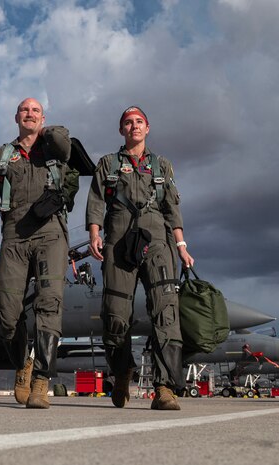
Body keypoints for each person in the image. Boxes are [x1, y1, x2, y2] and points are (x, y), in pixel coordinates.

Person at [86, 106, 194, 410]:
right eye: (127, 123)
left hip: (158, 243)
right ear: (121, 130)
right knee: (115, 313)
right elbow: (95, 201)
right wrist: (95, 234)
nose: (133, 126)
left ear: (147, 128)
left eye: (138, 122)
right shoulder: (108, 164)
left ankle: (164, 388)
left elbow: (173, 208)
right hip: (118, 241)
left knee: (166, 312)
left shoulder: (162, 166)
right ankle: (122, 373)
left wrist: (182, 245)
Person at [0, 98, 71, 409]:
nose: (29, 114)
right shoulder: (1, 156)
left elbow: (71, 152)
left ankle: (42, 381)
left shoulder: (56, 151)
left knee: (49, 304)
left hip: (51, 231)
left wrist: (51, 134)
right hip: (14, 233)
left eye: (35, 110)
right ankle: (23, 365)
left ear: (42, 117)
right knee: (6, 311)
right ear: (15, 117)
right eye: (24, 110)